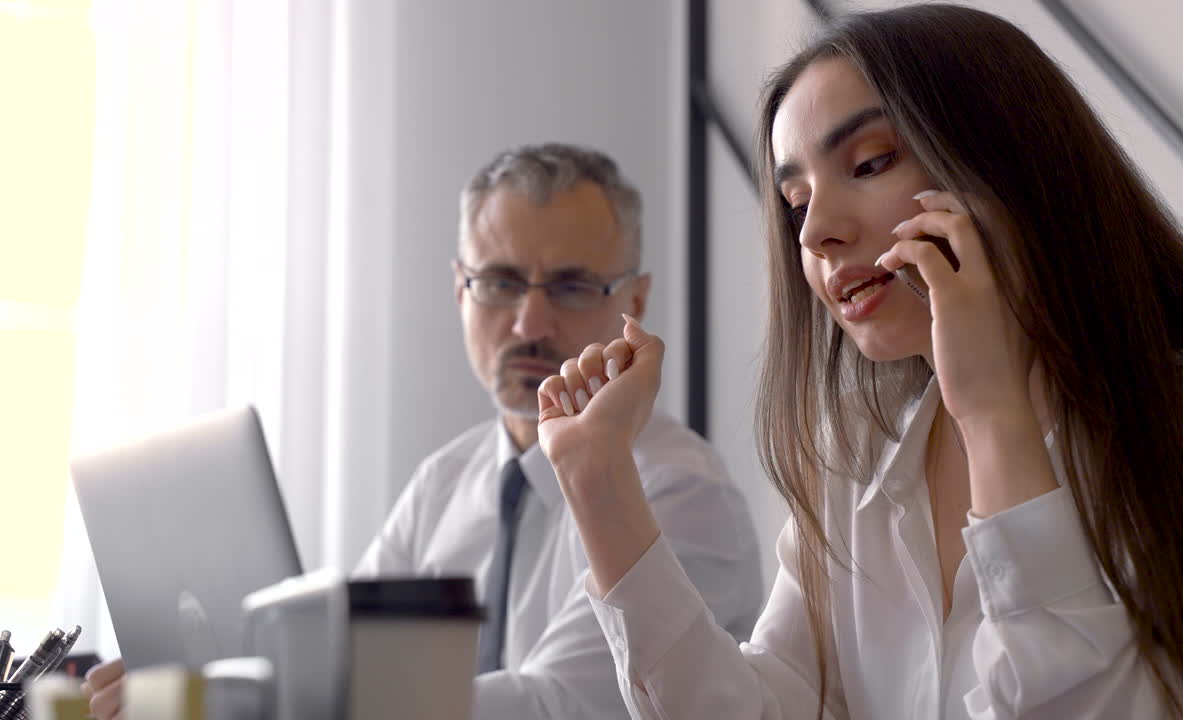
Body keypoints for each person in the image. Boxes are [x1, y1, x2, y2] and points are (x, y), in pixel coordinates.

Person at [535, 6, 1183, 720]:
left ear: (1013, 162)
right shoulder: (859, 452)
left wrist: (993, 417)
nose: (817, 231)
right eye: (796, 203)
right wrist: (596, 480)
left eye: (871, 162)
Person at [81, 143, 763, 720]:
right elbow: (341, 657)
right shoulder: (445, 481)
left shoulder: (680, 491)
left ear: (635, 302)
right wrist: (193, 693)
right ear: (459, 289)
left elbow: (560, 704)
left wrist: (259, 698)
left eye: (572, 286)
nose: (529, 324)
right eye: (499, 282)